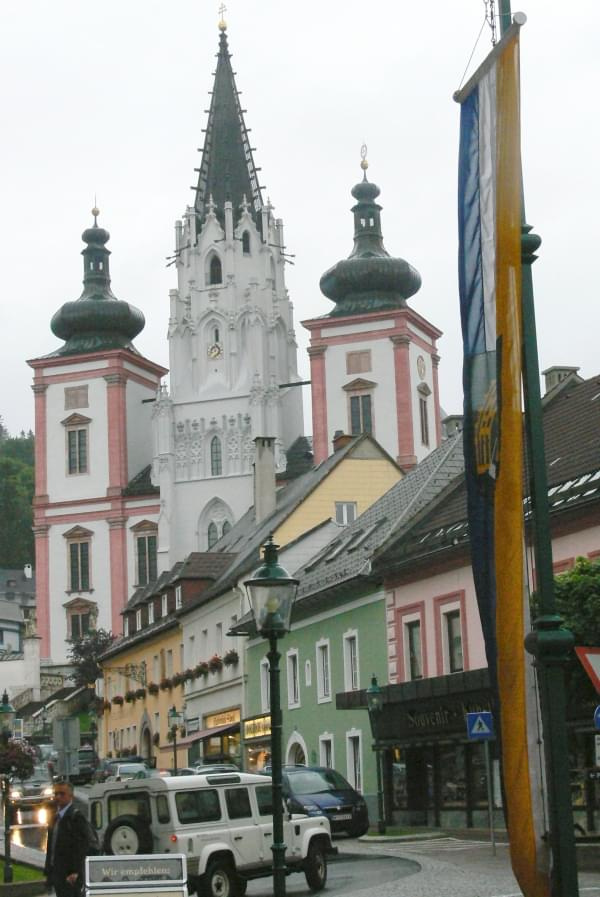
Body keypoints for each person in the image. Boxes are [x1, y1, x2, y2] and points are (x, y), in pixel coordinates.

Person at [44, 780, 97, 897]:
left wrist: (78, 872)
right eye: (56, 793)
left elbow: (91, 845)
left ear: (71, 796)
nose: (58, 797)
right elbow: (51, 848)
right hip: (57, 875)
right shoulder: (55, 818)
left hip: (71, 878)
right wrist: (48, 873)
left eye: (62, 794)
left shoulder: (76, 817)